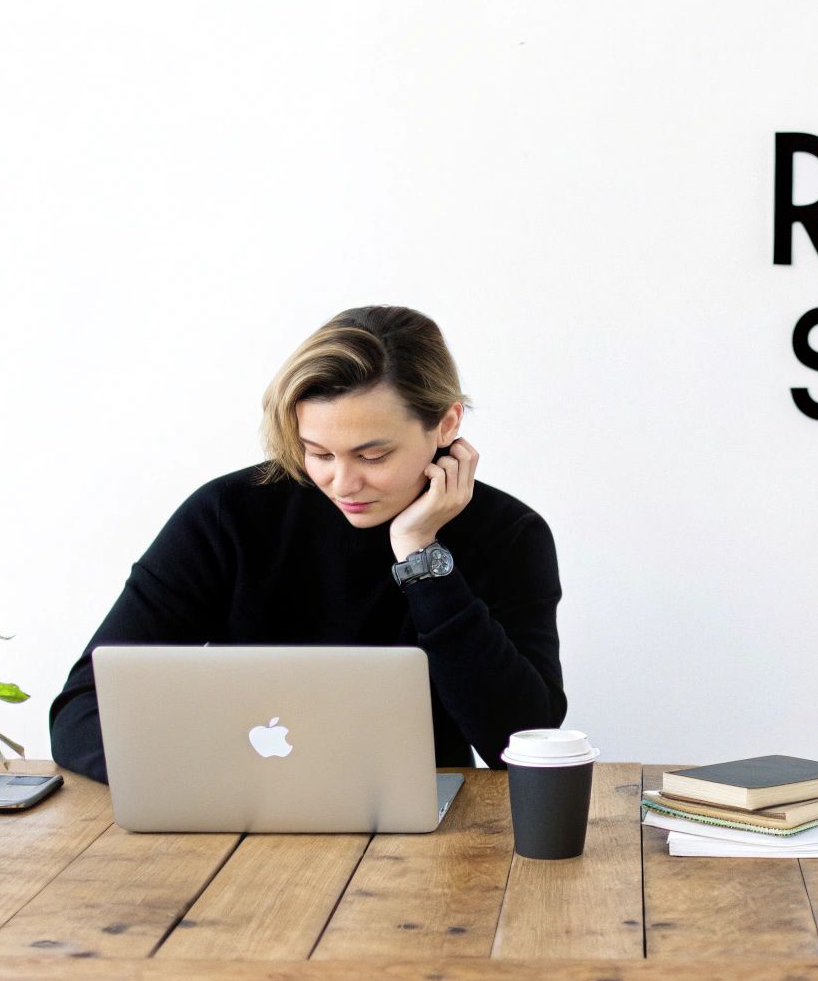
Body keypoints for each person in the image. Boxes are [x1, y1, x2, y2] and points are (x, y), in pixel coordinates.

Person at [49, 306, 565, 782]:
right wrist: (206, 783)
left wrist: (421, 556)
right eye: (318, 453)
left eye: (373, 456)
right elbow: (82, 708)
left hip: (423, 829)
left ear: (446, 424)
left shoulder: (509, 534)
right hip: (239, 812)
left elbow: (517, 741)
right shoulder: (228, 516)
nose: (342, 483)